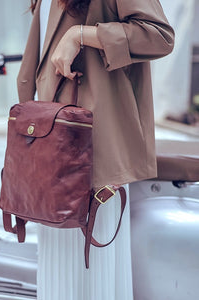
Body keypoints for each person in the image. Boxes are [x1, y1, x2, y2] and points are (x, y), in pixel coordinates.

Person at [17, 0, 174, 299]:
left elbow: (159, 36)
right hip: (51, 141)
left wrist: (80, 35)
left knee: (92, 271)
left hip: (92, 145)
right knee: (57, 264)